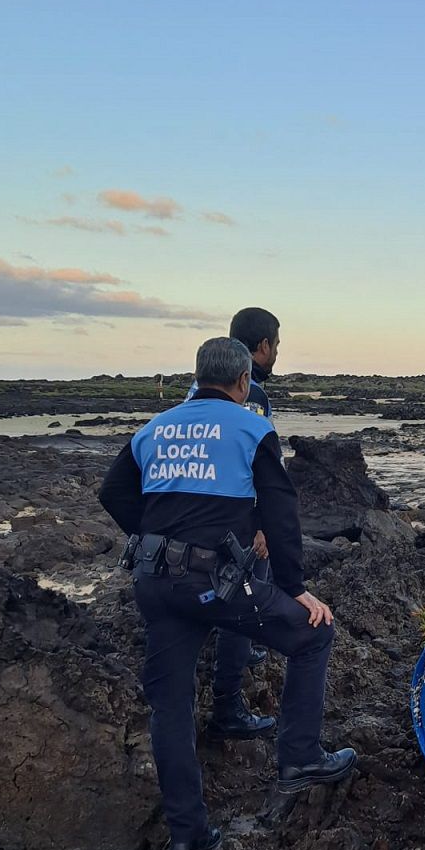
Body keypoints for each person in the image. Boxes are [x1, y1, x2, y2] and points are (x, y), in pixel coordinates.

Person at [99, 336, 355, 850]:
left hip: (154, 582)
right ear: (244, 383)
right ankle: (301, 758)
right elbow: (281, 511)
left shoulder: (155, 427)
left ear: (197, 376)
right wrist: (294, 587)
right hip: (211, 581)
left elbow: (113, 492)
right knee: (314, 634)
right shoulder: (252, 426)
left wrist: (151, 535)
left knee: (170, 705)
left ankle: (187, 837)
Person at [186, 307, 281, 738]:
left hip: (195, 518)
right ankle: (228, 704)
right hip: (236, 523)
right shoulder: (252, 397)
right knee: (243, 602)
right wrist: (262, 524)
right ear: (262, 347)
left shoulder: (198, 390)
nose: (277, 352)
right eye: (276, 344)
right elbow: (258, 463)